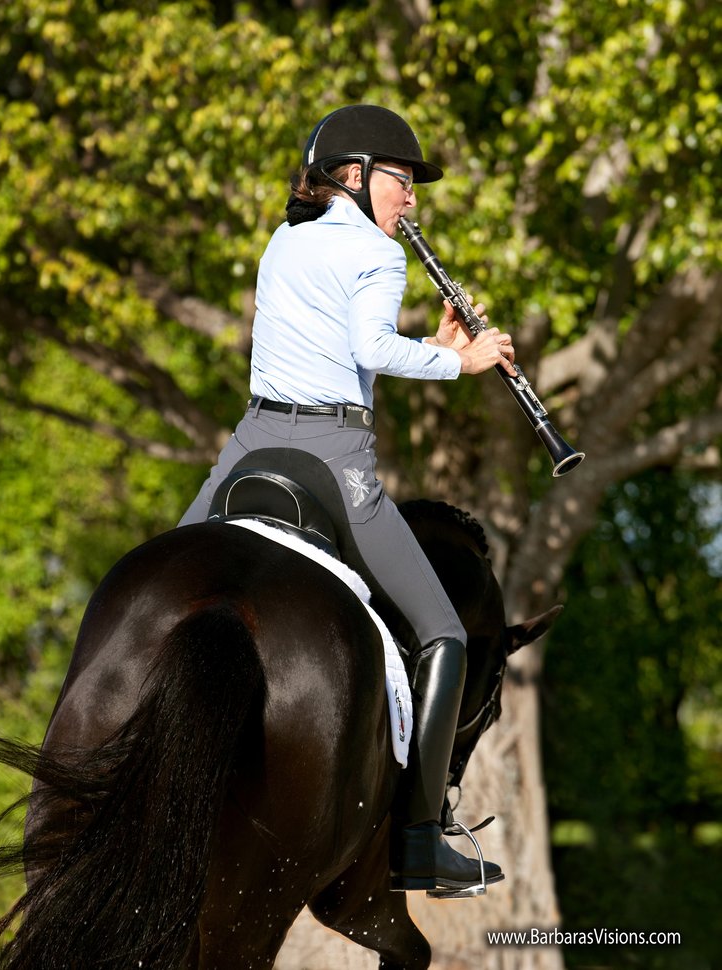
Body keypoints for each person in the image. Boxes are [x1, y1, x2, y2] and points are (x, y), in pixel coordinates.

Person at [179, 104, 517, 892]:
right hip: (336, 458)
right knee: (443, 634)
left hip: (251, 442)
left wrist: (427, 347)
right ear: (358, 176)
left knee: (168, 573)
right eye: (403, 182)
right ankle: (422, 840)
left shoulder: (284, 238)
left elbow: (336, 350)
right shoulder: (375, 251)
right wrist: (461, 363)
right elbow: (367, 350)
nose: (411, 201)